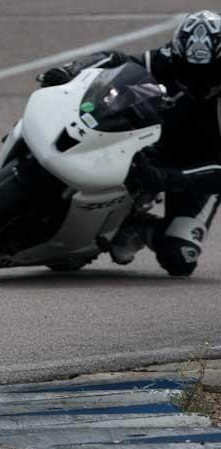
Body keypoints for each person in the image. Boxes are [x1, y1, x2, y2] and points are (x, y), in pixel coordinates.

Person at [39, 10, 221, 276]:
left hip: (201, 169)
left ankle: (140, 228)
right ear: (178, 52)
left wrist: (168, 179)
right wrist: (71, 70)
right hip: (151, 144)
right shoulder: (168, 58)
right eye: (188, 69)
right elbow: (120, 62)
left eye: (209, 73)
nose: (197, 80)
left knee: (179, 257)